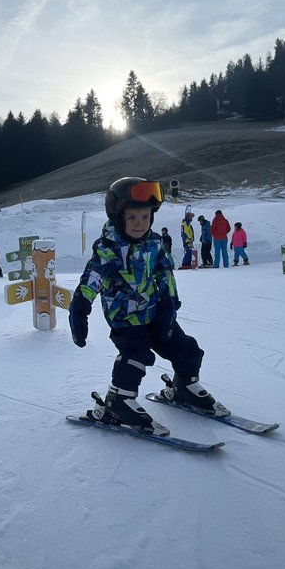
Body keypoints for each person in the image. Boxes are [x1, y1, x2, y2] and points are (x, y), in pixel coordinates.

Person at [68, 177, 227, 435]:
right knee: (136, 355)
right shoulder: (108, 249)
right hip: (125, 318)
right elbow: (92, 278)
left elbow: (164, 271)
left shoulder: (153, 243)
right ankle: (118, 402)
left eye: (145, 216)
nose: (140, 223)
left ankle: (184, 387)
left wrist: (169, 302)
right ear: (118, 217)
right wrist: (81, 307)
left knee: (184, 347)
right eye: (132, 218)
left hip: (154, 311)